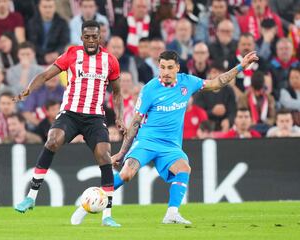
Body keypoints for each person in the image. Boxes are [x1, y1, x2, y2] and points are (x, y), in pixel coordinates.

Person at [71, 50, 259, 225]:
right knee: (127, 174)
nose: (166, 72)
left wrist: (241, 66)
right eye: (162, 67)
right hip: (147, 141)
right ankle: (86, 205)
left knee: (184, 169)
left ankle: (172, 213)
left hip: (170, 145)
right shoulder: (150, 89)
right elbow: (135, 123)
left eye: (170, 67)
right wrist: (121, 152)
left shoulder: (188, 82)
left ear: (177, 67)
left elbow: (216, 82)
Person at [13, 20, 124, 227]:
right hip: (70, 114)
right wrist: (29, 89)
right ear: (82, 38)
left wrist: (119, 116)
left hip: (95, 118)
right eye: (87, 37)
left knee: (104, 155)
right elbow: (46, 75)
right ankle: (31, 197)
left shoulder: (110, 61)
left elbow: (117, 93)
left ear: (100, 38)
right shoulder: (72, 54)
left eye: (95, 37)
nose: (91, 40)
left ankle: (107, 215)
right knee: (53, 140)